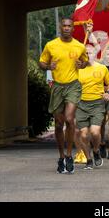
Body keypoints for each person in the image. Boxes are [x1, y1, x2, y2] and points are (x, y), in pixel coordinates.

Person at [38, 18, 88, 174]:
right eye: (64, 26)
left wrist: (82, 64)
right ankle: (61, 157)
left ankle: (69, 155)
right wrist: (48, 66)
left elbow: (85, 61)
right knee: (59, 124)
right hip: (57, 86)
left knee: (69, 119)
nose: (66, 28)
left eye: (69, 26)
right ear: (60, 27)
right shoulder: (51, 45)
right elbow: (41, 63)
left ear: (73, 28)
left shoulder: (79, 46)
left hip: (73, 85)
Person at [76, 46, 109, 170]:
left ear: (95, 54)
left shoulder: (102, 68)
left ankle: (96, 150)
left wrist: (108, 92)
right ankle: (88, 159)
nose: (87, 54)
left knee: (95, 132)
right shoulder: (77, 70)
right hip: (81, 104)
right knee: (83, 134)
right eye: (85, 53)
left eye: (90, 52)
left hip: (97, 103)